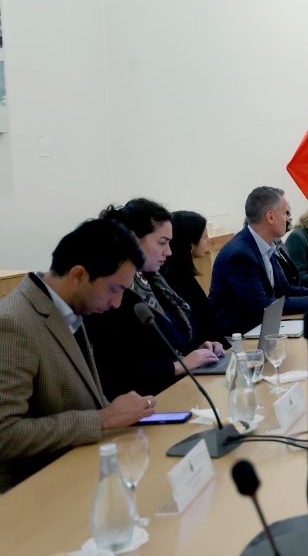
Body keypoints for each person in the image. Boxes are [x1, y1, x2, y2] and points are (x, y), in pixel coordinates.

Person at [0, 219, 155, 492]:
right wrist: (104, 418)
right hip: (35, 495)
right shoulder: (14, 323)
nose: (116, 303)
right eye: (114, 289)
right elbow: (5, 434)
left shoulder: (67, 308)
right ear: (79, 275)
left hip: (80, 472)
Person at [86, 199, 225, 399]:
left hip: (180, 391)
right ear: (133, 240)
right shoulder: (112, 295)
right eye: (162, 242)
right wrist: (180, 365)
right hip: (149, 403)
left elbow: (171, 344)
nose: (168, 252)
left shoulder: (154, 281)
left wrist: (200, 350)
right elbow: (118, 374)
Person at [209, 186, 308, 335]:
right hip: (238, 339)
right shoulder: (240, 255)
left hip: (263, 328)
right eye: (285, 213)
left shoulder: (265, 245)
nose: (288, 219)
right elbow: (263, 307)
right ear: (270, 217)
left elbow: (285, 289)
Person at [161, 210, 222, 342]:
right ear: (190, 244)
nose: (209, 240)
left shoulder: (184, 274)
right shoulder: (174, 280)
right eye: (205, 237)